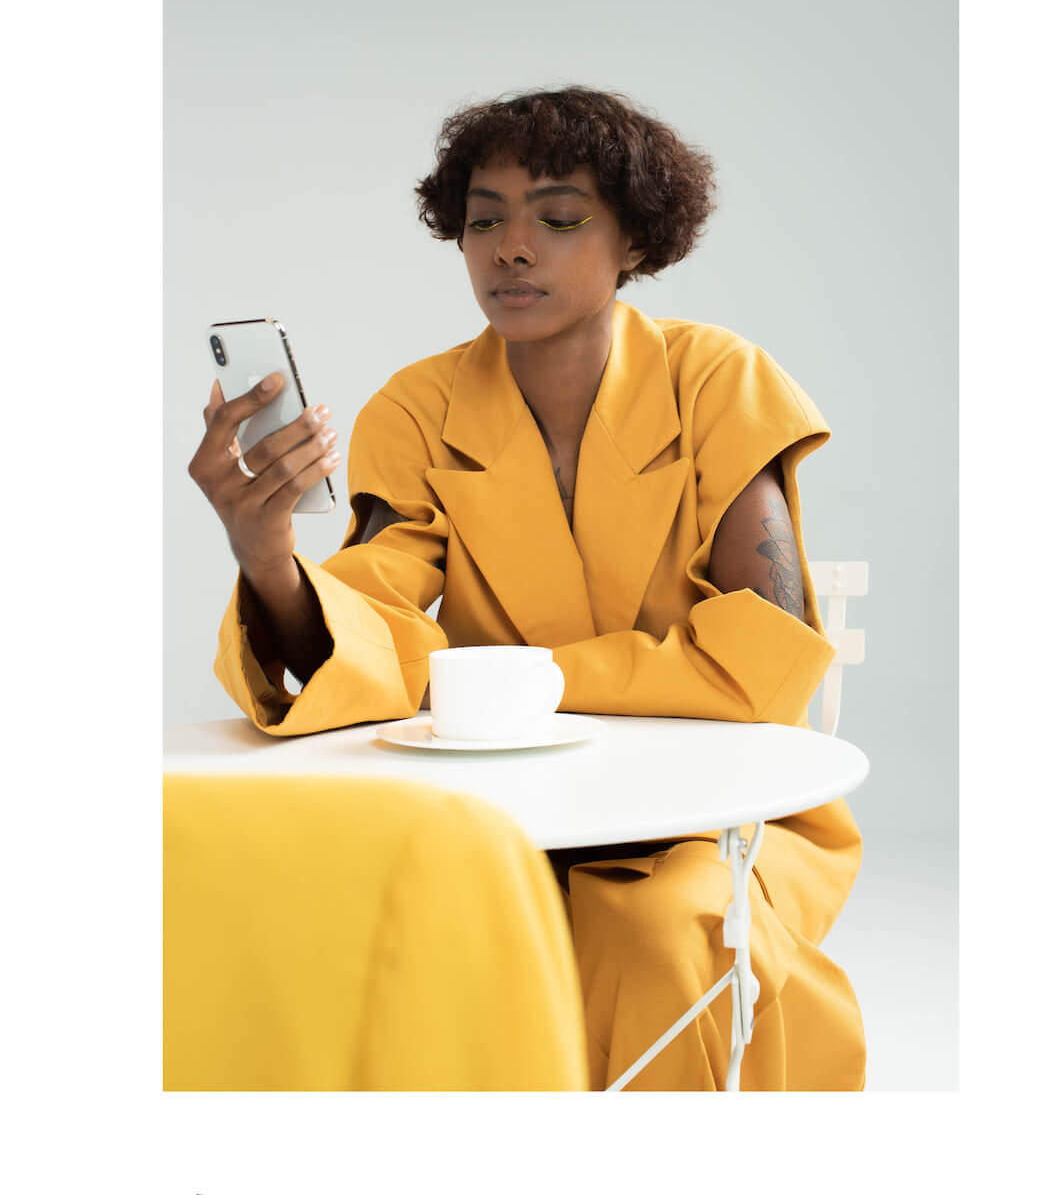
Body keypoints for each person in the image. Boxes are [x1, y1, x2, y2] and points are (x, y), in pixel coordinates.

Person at [188, 85, 865, 1091]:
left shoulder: (720, 381)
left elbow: (764, 664)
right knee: (326, 924)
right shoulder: (418, 408)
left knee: (661, 933)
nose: (509, 249)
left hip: (714, 810)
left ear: (635, 239)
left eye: (558, 217)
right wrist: (266, 554)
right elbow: (368, 635)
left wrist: (499, 682)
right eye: (483, 220)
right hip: (500, 809)